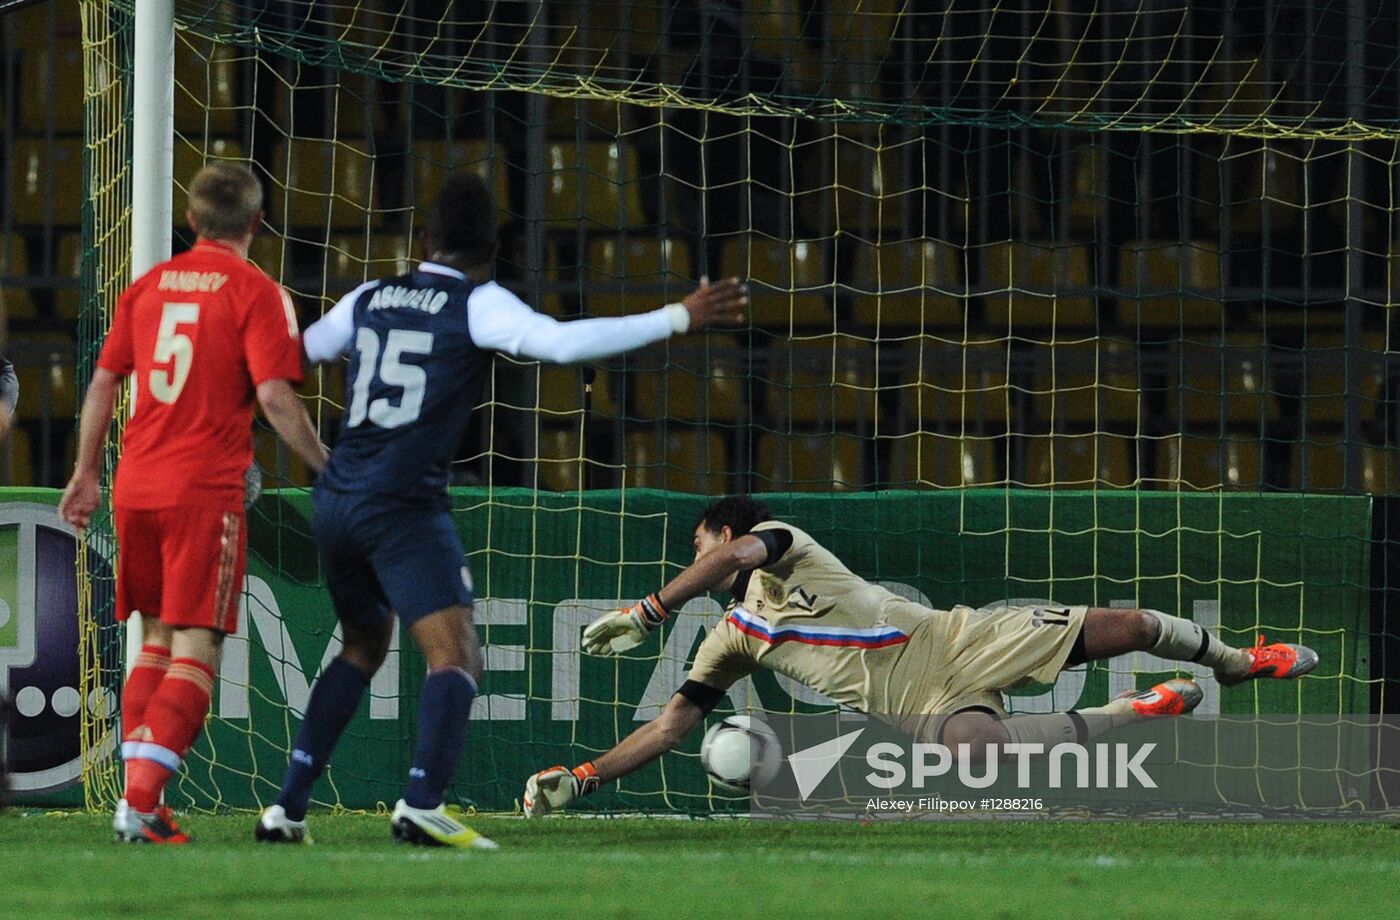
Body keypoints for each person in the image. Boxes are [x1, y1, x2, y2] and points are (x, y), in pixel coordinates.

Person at [255, 172, 747, 848]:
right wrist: (678, 315)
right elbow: (562, 344)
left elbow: (287, 360)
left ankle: (286, 808)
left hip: (336, 496)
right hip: (403, 501)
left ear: (422, 239)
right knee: (456, 657)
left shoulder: (366, 296)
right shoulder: (476, 302)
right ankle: (422, 803)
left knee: (364, 644)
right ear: (492, 248)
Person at [522, 495, 1319, 816]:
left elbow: (728, 564)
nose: (701, 559)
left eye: (700, 546)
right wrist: (583, 776)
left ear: (728, 538)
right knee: (984, 758)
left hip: (957, 637)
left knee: (1135, 625)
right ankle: (1134, 710)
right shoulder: (730, 640)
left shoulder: (789, 547)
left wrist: (651, 608)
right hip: (917, 707)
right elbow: (667, 728)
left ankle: (1240, 664)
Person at [59, 162, 328, 844]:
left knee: (153, 640)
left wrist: (86, 473)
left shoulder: (147, 287)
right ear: (257, 224)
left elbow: (101, 384)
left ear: (191, 221)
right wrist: (328, 466)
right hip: (202, 490)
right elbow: (273, 397)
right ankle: (142, 803)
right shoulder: (255, 290)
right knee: (196, 651)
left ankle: (137, 798)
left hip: (136, 485)